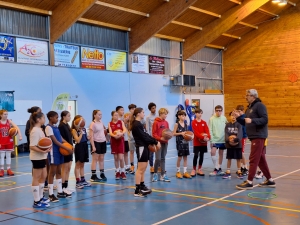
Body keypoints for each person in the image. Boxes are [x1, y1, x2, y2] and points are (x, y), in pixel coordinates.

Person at [233, 89, 275, 190]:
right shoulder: (249, 108)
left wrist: (252, 120)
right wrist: (239, 118)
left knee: (253, 158)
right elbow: (246, 122)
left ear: (253, 96)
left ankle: (249, 181)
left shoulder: (260, 106)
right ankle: (270, 180)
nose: (245, 97)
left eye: (247, 95)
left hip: (259, 136)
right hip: (254, 136)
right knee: (260, 159)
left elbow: (265, 119)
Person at [130, 107, 160, 197]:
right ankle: (137, 190)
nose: (144, 113)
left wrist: (155, 140)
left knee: (143, 168)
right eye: (143, 112)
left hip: (145, 147)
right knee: (140, 169)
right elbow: (144, 137)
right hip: (141, 147)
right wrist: (155, 142)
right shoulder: (136, 124)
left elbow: (146, 135)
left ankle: (142, 185)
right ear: (138, 113)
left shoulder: (139, 124)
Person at [45, 111, 73, 202]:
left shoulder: (55, 127)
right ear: (50, 118)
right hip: (54, 152)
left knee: (59, 171)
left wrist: (70, 146)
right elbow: (55, 141)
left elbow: (61, 138)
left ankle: (60, 191)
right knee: (52, 172)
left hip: (60, 151)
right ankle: (50, 194)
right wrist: (66, 148)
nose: (57, 119)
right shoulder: (48, 128)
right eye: (56, 118)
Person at [29, 112, 51, 208]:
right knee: (36, 178)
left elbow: (42, 144)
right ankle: (36, 201)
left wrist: (47, 148)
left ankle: (41, 197)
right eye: (43, 118)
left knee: (44, 176)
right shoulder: (35, 131)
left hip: (42, 156)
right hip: (36, 157)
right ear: (38, 119)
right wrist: (43, 151)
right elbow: (32, 146)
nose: (44, 119)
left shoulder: (40, 130)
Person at [0, 109, 22, 176]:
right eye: (5, 114)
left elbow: (17, 127)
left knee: (8, 155)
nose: (6, 115)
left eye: (7, 114)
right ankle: (2, 170)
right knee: (2, 156)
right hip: (2, 142)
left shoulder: (9, 121)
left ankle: (9, 169)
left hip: (9, 141)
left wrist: (20, 135)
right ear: (1, 115)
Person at [71, 115, 91, 189]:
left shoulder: (84, 129)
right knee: (78, 164)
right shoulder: (74, 130)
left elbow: (85, 139)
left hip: (85, 146)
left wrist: (88, 137)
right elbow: (78, 140)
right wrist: (81, 133)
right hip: (79, 147)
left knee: (82, 164)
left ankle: (83, 179)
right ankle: (77, 181)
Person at [223, 112, 243, 179]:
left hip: (237, 144)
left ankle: (239, 171)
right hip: (229, 144)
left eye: (235, 115)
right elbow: (226, 133)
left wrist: (235, 140)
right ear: (229, 117)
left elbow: (240, 135)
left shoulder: (239, 125)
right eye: (232, 115)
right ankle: (228, 171)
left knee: (238, 158)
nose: (233, 117)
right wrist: (228, 140)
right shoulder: (227, 125)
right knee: (229, 158)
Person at [152, 108, 170, 182]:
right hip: (158, 143)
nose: (166, 115)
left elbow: (168, 132)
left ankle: (163, 175)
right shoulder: (156, 122)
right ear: (161, 114)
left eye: (166, 114)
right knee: (158, 159)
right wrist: (160, 138)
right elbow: (154, 134)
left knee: (163, 158)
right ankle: (155, 173)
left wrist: (169, 136)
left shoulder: (166, 123)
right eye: (165, 114)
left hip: (165, 142)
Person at [58, 111, 74, 196]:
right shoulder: (61, 126)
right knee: (64, 169)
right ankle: (63, 187)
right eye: (68, 116)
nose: (70, 117)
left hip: (70, 148)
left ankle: (66, 186)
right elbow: (61, 139)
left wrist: (71, 146)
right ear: (64, 117)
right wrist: (67, 147)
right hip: (65, 149)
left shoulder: (67, 125)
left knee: (68, 168)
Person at [191, 108, 210, 176]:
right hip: (197, 142)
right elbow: (196, 133)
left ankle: (199, 169)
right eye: (198, 113)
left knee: (202, 155)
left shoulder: (204, 122)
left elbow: (207, 131)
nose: (200, 114)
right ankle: (193, 169)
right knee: (196, 155)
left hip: (204, 143)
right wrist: (203, 137)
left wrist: (208, 137)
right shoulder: (193, 122)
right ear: (195, 114)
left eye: (201, 113)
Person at [209, 105, 227, 176]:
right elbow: (210, 129)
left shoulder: (224, 118)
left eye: (220, 110)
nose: (218, 112)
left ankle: (218, 167)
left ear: (221, 111)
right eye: (217, 110)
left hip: (222, 139)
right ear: (215, 111)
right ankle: (216, 167)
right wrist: (211, 140)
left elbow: (227, 128)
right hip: (215, 140)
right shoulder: (212, 119)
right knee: (213, 152)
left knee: (221, 154)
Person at [89, 110, 107, 182]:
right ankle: (93, 175)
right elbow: (91, 136)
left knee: (102, 158)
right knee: (95, 159)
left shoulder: (101, 122)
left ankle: (102, 173)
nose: (100, 116)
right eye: (99, 115)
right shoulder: (92, 124)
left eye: (101, 115)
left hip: (103, 141)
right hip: (96, 142)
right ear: (94, 115)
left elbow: (103, 131)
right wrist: (93, 146)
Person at [109, 111, 127, 180]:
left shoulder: (121, 122)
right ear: (112, 116)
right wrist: (115, 135)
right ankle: (117, 172)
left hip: (120, 141)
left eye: (117, 115)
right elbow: (110, 132)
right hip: (114, 141)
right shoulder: (110, 123)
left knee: (121, 158)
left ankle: (123, 171)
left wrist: (121, 133)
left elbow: (124, 129)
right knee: (116, 158)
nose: (117, 117)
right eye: (115, 115)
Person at [173, 110, 191, 179]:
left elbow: (187, 134)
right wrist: (181, 133)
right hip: (179, 142)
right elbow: (173, 133)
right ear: (179, 116)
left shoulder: (186, 124)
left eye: (184, 116)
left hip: (185, 143)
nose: (183, 117)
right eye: (182, 116)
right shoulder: (176, 124)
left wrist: (190, 137)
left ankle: (185, 172)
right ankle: (178, 171)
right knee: (180, 157)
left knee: (185, 157)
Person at [116, 106, 130, 173]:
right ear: (117, 111)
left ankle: (127, 166)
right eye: (121, 110)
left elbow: (127, 128)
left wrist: (127, 122)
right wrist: (124, 121)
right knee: (119, 155)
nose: (123, 111)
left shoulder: (124, 118)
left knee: (126, 152)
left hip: (126, 138)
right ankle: (119, 168)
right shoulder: (116, 119)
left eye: (123, 110)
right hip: (119, 139)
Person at [236, 105, 249, 176]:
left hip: (243, 136)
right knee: (239, 152)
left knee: (241, 152)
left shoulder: (244, 117)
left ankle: (246, 168)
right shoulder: (239, 118)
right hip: (239, 136)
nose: (238, 112)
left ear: (243, 111)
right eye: (237, 111)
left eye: (239, 111)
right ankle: (241, 167)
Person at [146, 102, 157, 173]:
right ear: (150, 109)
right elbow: (147, 128)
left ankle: (158, 166)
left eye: (155, 108)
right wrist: (149, 138)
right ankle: (151, 167)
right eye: (153, 108)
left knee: (158, 152)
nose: (154, 109)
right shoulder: (148, 117)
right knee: (151, 153)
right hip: (151, 137)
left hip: (157, 137)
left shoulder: (158, 116)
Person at [127, 104, 137, 174]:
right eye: (132, 109)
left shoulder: (137, 116)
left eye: (134, 109)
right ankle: (132, 166)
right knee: (131, 152)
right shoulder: (128, 117)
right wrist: (129, 135)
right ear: (130, 110)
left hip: (137, 137)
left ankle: (139, 165)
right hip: (131, 137)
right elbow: (126, 127)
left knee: (139, 151)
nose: (133, 110)